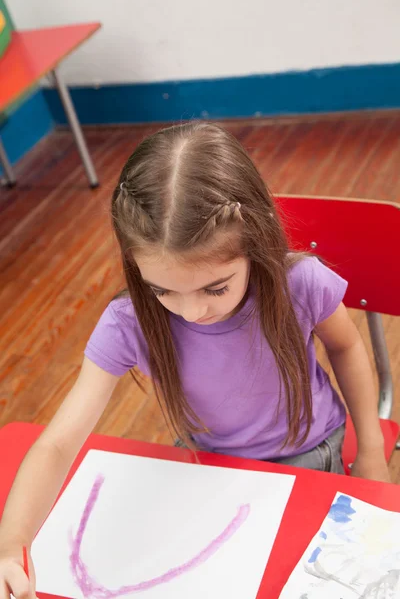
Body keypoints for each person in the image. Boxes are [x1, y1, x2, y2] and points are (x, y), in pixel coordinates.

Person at [0, 122, 390, 599]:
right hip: (208, 468)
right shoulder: (129, 322)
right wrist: (11, 541)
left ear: (256, 241)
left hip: (310, 456)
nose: (193, 311)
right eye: (162, 289)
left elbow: (347, 347)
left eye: (216, 287)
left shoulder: (300, 284)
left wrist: (369, 449)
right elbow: (56, 444)